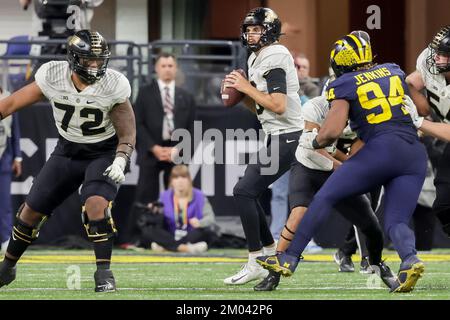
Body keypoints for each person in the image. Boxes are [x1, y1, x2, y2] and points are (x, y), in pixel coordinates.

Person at [257, 32, 428, 293]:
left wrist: (322, 145)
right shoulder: (392, 71)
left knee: (332, 202)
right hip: (407, 154)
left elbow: (331, 133)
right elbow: (422, 110)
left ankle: (290, 258)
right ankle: (409, 259)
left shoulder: (344, 86)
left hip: (373, 153)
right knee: (395, 221)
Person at [0, 30, 135, 292]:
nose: (95, 66)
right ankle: (7, 267)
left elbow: (127, 131)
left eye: (99, 60)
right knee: (30, 211)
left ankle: (104, 274)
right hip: (68, 150)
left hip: (103, 151)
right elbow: (10, 104)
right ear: (73, 59)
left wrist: (121, 159)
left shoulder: (113, 83)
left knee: (96, 205)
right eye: (89, 60)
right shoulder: (53, 75)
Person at [255, 78, 395, 292]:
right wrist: (344, 166)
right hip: (308, 166)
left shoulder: (365, 112)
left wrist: (352, 164)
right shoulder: (314, 107)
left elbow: (358, 150)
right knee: (298, 215)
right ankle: (274, 273)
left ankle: (377, 264)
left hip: (338, 167)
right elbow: (314, 150)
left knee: (371, 225)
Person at [222, 7, 303, 287]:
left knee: (244, 190)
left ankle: (257, 259)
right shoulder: (257, 56)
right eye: (248, 29)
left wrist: (246, 85)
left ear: (269, 30)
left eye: (256, 29)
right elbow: (261, 106)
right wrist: (242, 92)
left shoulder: (275, 54)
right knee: (248, 192)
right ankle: (268, 257)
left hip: (289, 135)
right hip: (277, 134)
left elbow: (278, 105)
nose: (250, 34)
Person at [129, 52, 196, 244]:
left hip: (176, 151)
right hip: (151, 151)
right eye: (163, 66)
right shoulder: (144, 93)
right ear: (156, 69)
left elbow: (192, 127)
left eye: (170, 66)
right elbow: (138, 124)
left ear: (176, 69)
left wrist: (178, 149)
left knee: (178, 192)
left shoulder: (186, 96)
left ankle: (175, 235)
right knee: (145, 193)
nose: (167, 69)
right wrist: (153, 147)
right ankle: (141, 237)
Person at [405, 25, 450, 239]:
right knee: (444, 205)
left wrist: (419, 121)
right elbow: (411, 82)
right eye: (437, 53)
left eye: (443, 55)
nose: (436, 59)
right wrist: (422, 107)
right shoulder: (429, 61)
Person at [137, 165, 215, 253]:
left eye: (183, 177)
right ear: (172, 181)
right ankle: (185, 248)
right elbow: (159, 217)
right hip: (170, 234)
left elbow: (210, 218)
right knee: (148, 231)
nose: (180, 181)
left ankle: (166, 247)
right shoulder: (164, 196)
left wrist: (200, 223)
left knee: (206, 232)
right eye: (176, 178)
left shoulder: (200, 196)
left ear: (189, 180)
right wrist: (154, 211)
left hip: (191, 234)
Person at [0, 88, 22, 253]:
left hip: (4, 154)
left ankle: (6, 238)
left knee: (4, 201)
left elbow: (15, 130)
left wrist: (17, 157)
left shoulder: (8, 97)